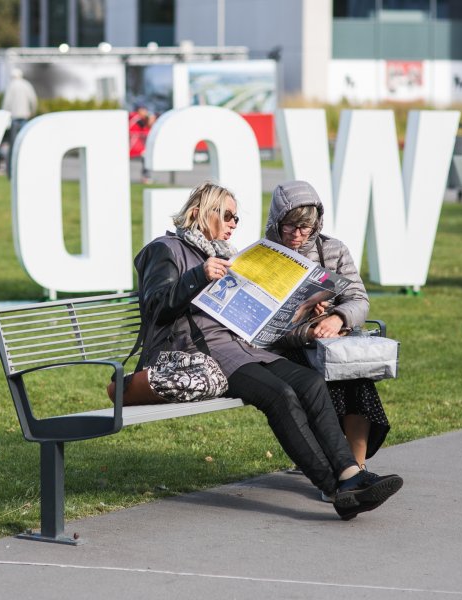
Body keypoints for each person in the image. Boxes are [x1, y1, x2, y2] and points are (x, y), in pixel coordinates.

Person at [133, 181, 402, 520]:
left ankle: (350, 474)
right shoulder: (165, 249)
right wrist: (197, 276)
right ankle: (337, 488)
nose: (233, 223)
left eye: (236, 218)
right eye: (227, 215)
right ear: (200, 213)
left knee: (309, 383)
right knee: (280, 395)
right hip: (199, 354)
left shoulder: (229, 255)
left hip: (240, 346)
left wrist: (298, 311)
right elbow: (155, 305)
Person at [265, 180, 392, 499]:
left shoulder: (332, 250)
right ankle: (339, 473)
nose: (297, 234)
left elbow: (358, 299)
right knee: (324, 383)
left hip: (331, 342)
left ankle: (357, 471)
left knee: (356, 378)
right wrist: (307, 324)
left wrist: (336, 317)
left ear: (316, 224)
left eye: (305, 227)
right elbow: (262, 326)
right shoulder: (264, 258)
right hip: (285, 348)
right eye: (290, 226)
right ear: (276, 221)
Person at [1, 68, 38, 176]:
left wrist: (4, 115)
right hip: (25, 117)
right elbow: (33, 100)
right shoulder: (26, 85)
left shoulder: (11, 86)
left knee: (13, 145)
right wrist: (32, 111)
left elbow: (6, 103)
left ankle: (11, 172)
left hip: (14, 118)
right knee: (24, 144)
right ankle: (25, 169)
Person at [129, 105, 155, 183]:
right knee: (146, 155)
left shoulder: (138, 119)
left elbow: (149, 127)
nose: (145, 112)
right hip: (131, 146)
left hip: (135, 146)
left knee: (146, 155)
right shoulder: (135, 117)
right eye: (144, 110)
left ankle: (146, 177)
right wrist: (150, 117)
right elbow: (149, 124)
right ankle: (146, 177)